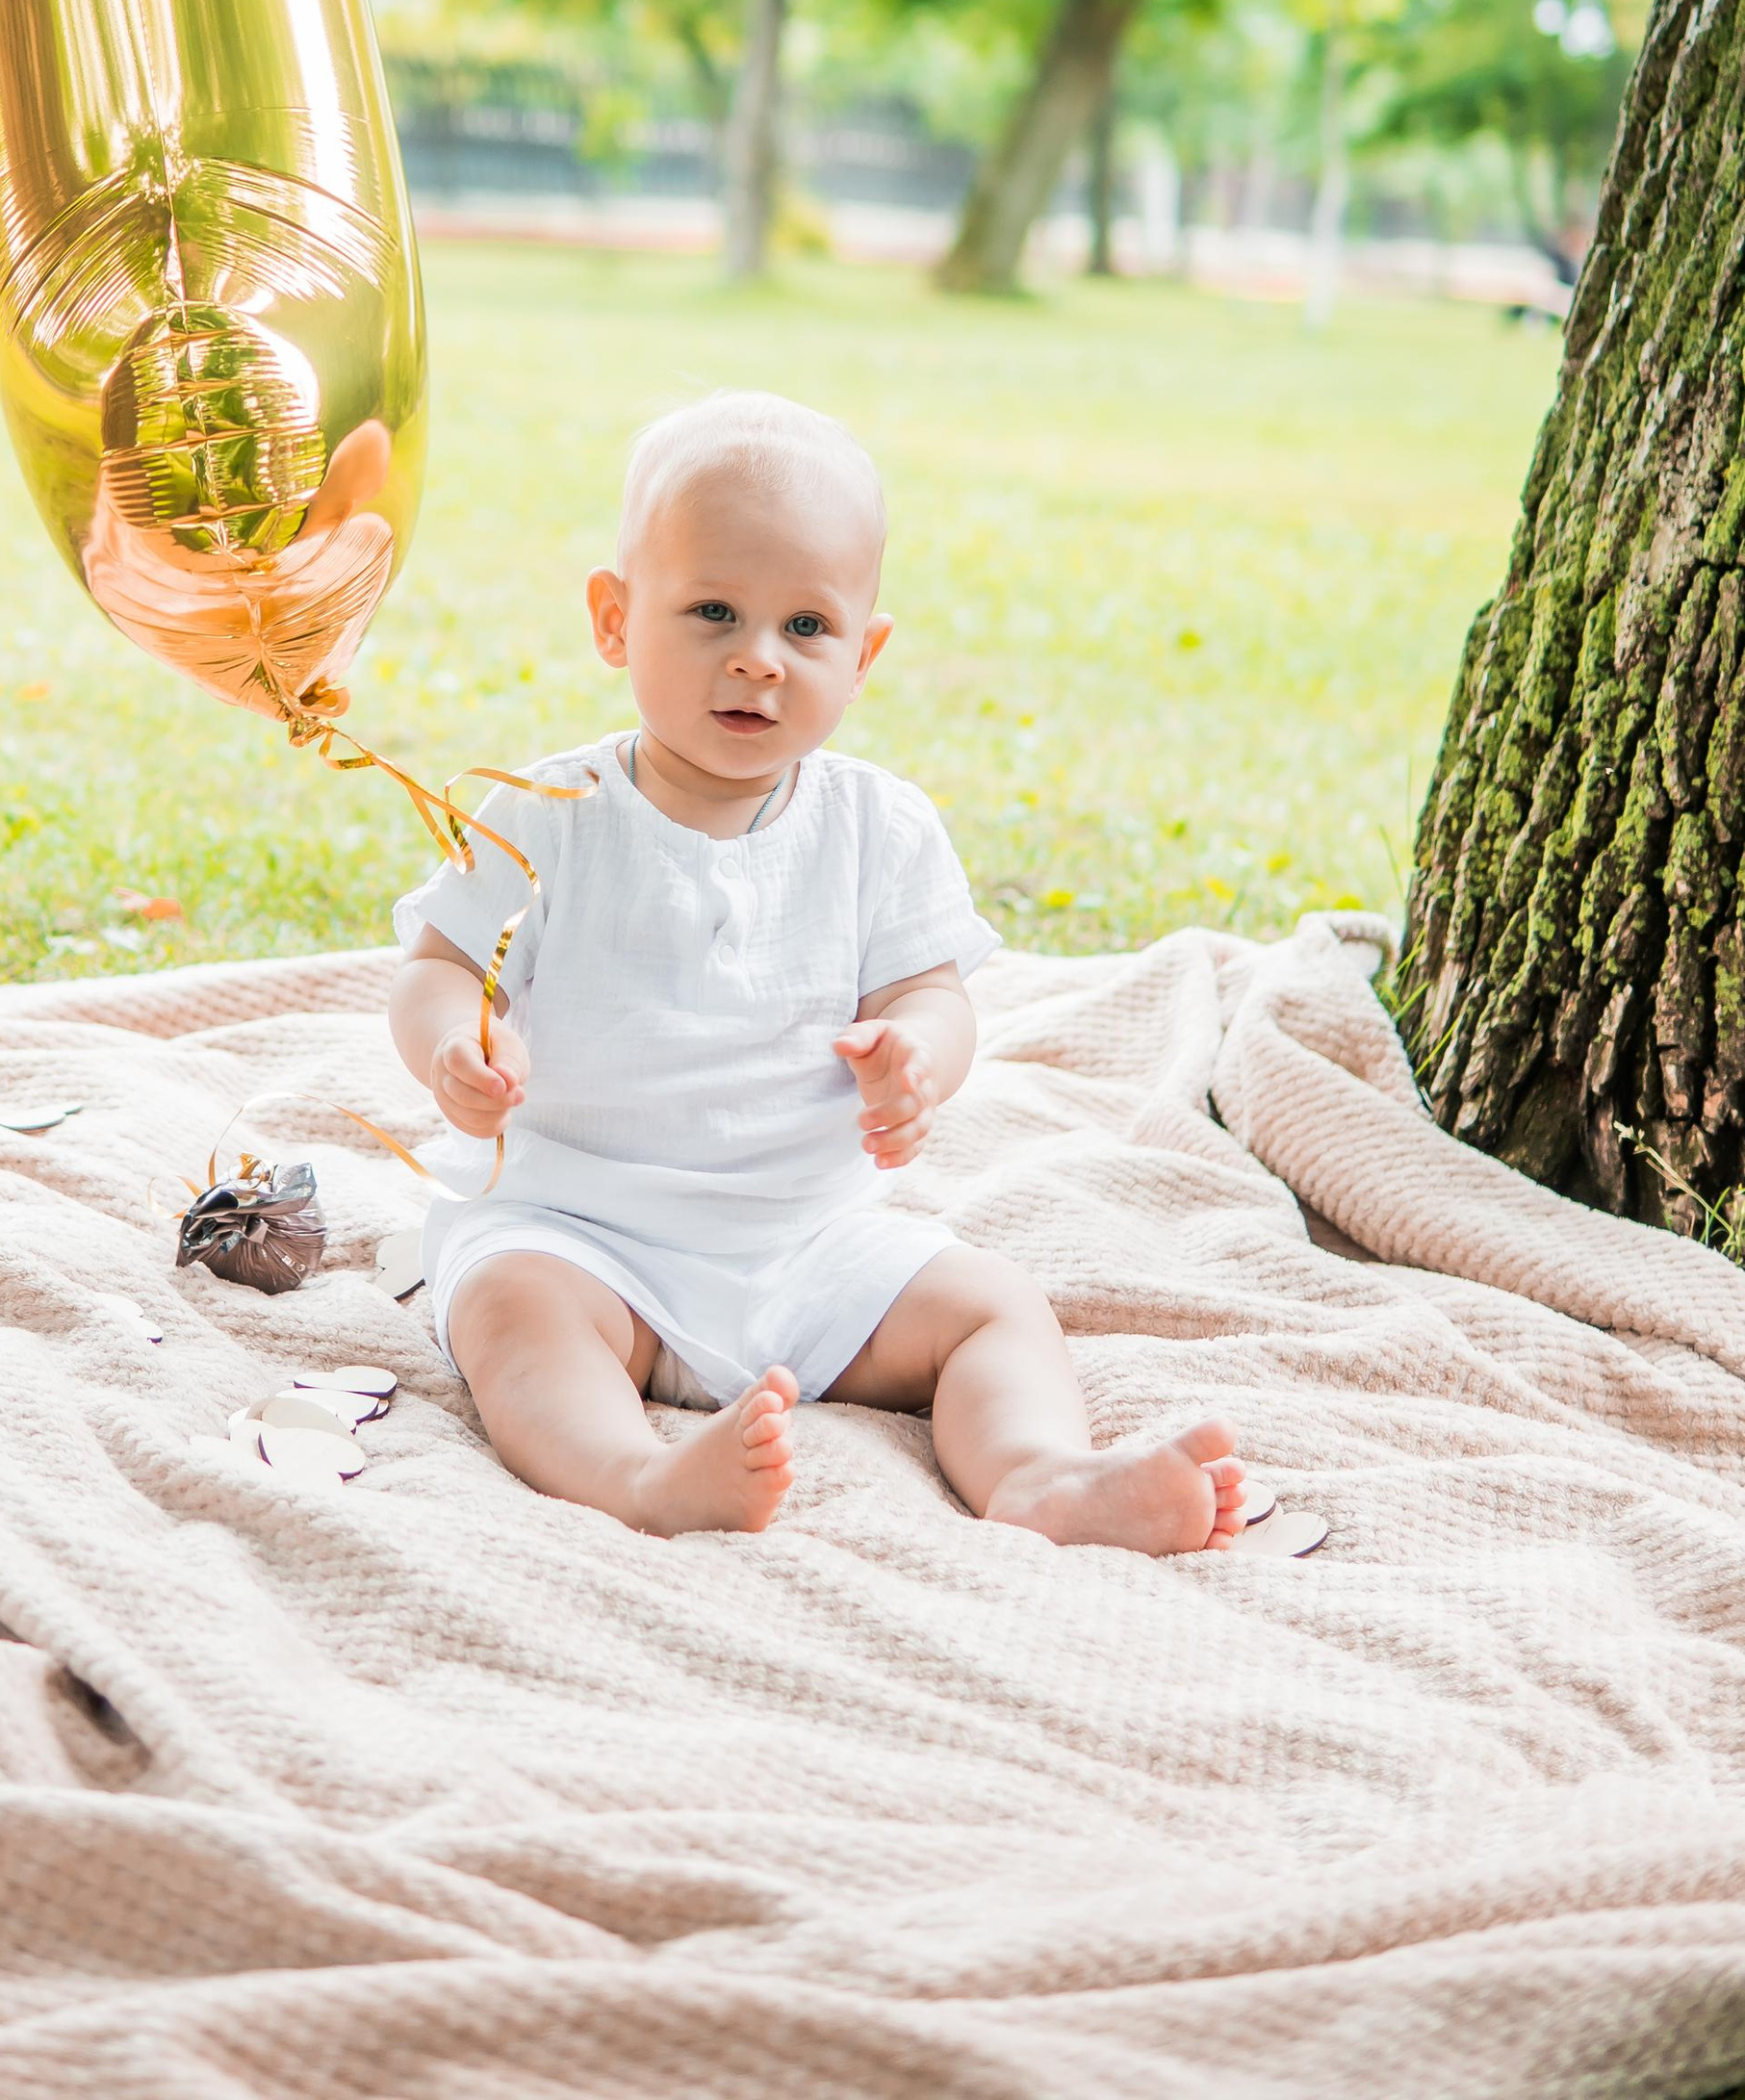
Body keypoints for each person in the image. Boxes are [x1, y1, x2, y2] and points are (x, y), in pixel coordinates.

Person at [389, 392, 1246, 1547]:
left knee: (992, 1306)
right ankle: (637, 1478)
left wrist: (916, 1058)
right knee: (509, 1310)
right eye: (713, 611)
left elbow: (929, 995)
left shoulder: (876, 829)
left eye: (806, 627)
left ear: (864, 654)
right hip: (582, 1233)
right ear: (614, 618)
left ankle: (1038, 1476)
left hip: (810, 1244)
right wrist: (458, 1040)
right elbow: (439, 968)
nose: (758, 658)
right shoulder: (546, 815)